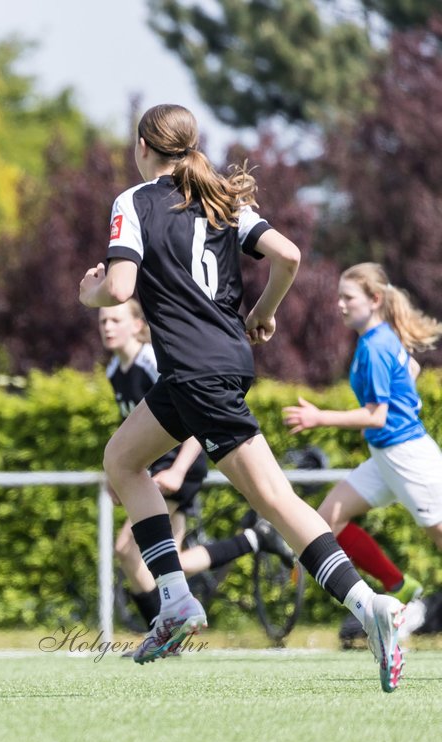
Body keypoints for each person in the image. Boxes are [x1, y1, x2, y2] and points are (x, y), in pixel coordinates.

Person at [78, 104, 406, 691]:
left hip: (196, 374)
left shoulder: (134, 201)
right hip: (207, 369)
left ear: (144, 147)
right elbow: (289, 256)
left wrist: (91, 293)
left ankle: (369, 607)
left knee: (279, 502)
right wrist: (262, 312)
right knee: (122, 460)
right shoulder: (220, 198)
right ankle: (175, 599)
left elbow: (120, 287)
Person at [99, 300, 291, 633]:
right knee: (165, 560)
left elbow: (194, 412)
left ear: (136, 324)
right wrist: (117, 472)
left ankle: (163, 631)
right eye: (103, 321)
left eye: (115, 319)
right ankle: (252, 541)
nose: (107, 326)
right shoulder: (115, 371)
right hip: (154, 471)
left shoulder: (150, 362)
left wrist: (177, 470)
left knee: (128, 549)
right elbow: (132, 433)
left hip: (178, 467)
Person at [283, 262, 440, 642]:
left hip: (408, 459)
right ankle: (398, 586)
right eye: (339, 296)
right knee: (325, 522)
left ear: (374, 299)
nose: (339, 304)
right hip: (387, 458)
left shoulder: (376, 345)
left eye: (348, 297)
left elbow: (377, 415)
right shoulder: (383, 338)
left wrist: (320, 417)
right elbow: (413, 369)